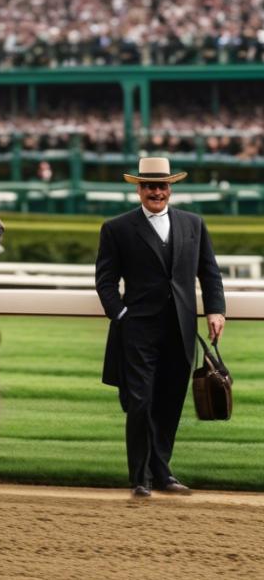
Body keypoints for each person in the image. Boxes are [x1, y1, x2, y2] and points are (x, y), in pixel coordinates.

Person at [95, 157, 226, 498]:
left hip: (181, 328)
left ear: (170, 188)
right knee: (140, 402)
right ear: (139, 189)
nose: (157, 192)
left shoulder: (193, 224)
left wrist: (215, 310)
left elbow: (209, 272)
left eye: (162, 185)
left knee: (170, 402)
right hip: (137, 329)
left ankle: (162, 472)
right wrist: (121, 315)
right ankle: (140, 477)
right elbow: (105, 281)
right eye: (150, 186)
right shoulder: (117, 228)